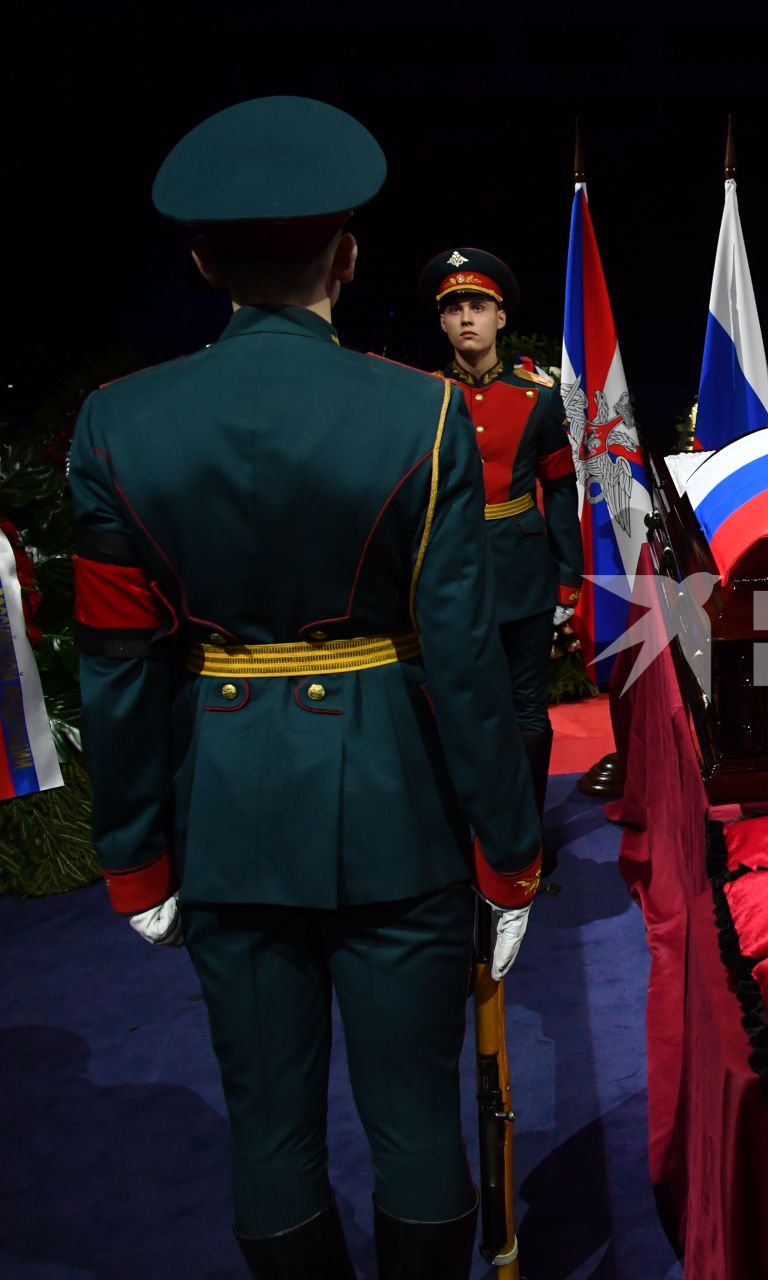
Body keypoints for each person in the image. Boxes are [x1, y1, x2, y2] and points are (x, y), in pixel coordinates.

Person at [71, 97, 542, 1277]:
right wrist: (508, 849)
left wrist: (135, 852)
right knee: (417, 1122)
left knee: (268, 1129)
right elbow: (467, 660)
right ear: (348, 255)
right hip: (397, 809)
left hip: (223, 814)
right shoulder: (426, 410)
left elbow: (118, 666)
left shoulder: (117, 424)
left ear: (201, 260)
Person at [419, 246, 583, 875]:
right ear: (442, 322)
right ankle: (463, 844)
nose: (467, 318)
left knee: (527, 719)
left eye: (478, 306)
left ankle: (524, 846)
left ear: (500, 317)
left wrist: (568, 578)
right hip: (449, 576)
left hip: (521, 574)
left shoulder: (536, 398)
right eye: (455, 308)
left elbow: (562, 488)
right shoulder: (424, 400)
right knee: (458, 712)